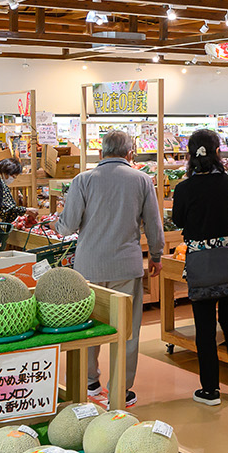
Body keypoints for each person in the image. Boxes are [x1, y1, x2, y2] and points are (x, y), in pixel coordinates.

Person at [59, 129, 166, 406]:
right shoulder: (143, 180)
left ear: (99, 153)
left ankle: (90, 381)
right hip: (126, 267)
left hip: (88, 266)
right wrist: (156, 255)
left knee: (88, 324)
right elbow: (154, 225)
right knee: (127, 330)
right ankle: (120, 389)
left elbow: (68, 225)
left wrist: (55, 225)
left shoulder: (83, 180)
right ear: (130, 154)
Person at [170, 128, 228, 406]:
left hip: (200, 263)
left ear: (190, 156)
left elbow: (178, 221)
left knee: (204, 326)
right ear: (218, 152)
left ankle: (211, 390)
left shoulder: (183, 188)